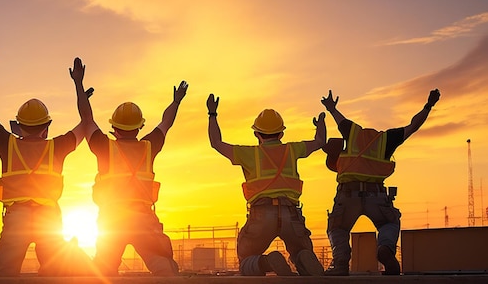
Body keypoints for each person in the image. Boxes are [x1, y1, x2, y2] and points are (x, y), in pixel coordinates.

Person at [0, 57, 93, 276]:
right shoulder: (57, 146)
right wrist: (79, 86)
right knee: (54, 274)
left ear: (19, 126)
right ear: (46, 127)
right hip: (48, 220)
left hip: (16, 217)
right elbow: (86, 122)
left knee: (5, 276)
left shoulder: (7, 144)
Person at [320, 89, 441, 276]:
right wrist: (428, 106)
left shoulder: (352, 133)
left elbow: (339, 119)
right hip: (376, 195)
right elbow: (412, 126)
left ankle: (341, 262)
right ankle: (385, 248)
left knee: (338, 228)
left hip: (347, 194)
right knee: (388, 224)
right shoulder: (386, 139)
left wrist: (331, 108)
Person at [206, 94, 326, 276]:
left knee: (246, 259)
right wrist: (320, 126)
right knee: (301, 249)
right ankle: (303, 258)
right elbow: (320, 142)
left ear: (256, 133)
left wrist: (212, 114)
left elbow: (216, 143)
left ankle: (266, 262)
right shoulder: (292, 150)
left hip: (261, 214)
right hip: (291, 213)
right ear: (281, 133)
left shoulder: (249, 154)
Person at [80, 80, 188, 276]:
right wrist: (176, 101)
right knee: (161, 265)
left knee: (102, 271)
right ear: (139, 127)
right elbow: (165, 123)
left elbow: (87, 120)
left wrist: (79, 86)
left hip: (112, 221)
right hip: (143, 220)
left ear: (114, 128)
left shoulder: (105, 147)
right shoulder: (149, 147)